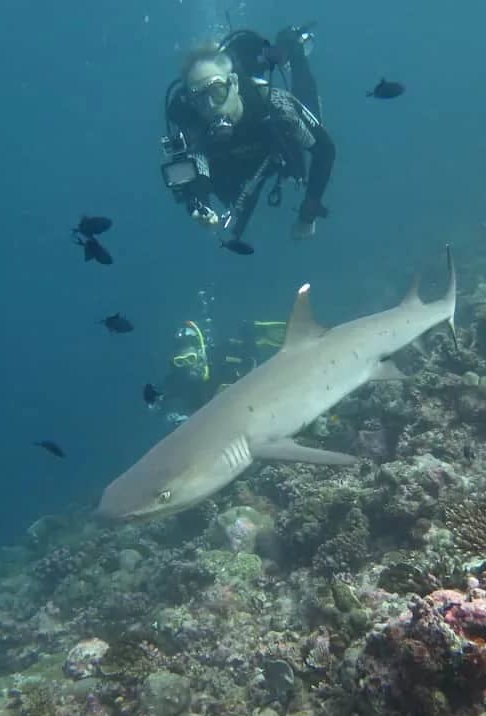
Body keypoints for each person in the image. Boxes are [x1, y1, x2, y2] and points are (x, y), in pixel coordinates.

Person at [159, 24, 335, 242]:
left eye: (217, 91)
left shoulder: (275, 104)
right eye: (199, 99)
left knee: (309, 106)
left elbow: (324, 149)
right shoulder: (195, 129)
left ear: (233, 83)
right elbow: (194, 170)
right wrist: (200, 205)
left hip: (278, 148)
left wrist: (309, 211)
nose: (211, 105)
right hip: (236, 170)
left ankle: (294, 48)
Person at [154, 295, 286, 423]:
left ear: (200, 354)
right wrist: (171, 413)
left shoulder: (219, 356)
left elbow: (252, 362)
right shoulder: (178, 379)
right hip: (213, 410)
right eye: (180, 361)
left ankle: (252, 332)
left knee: (248, 354)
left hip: (241, 384)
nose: (188, 365)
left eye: (191, 358)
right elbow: (164, 400)